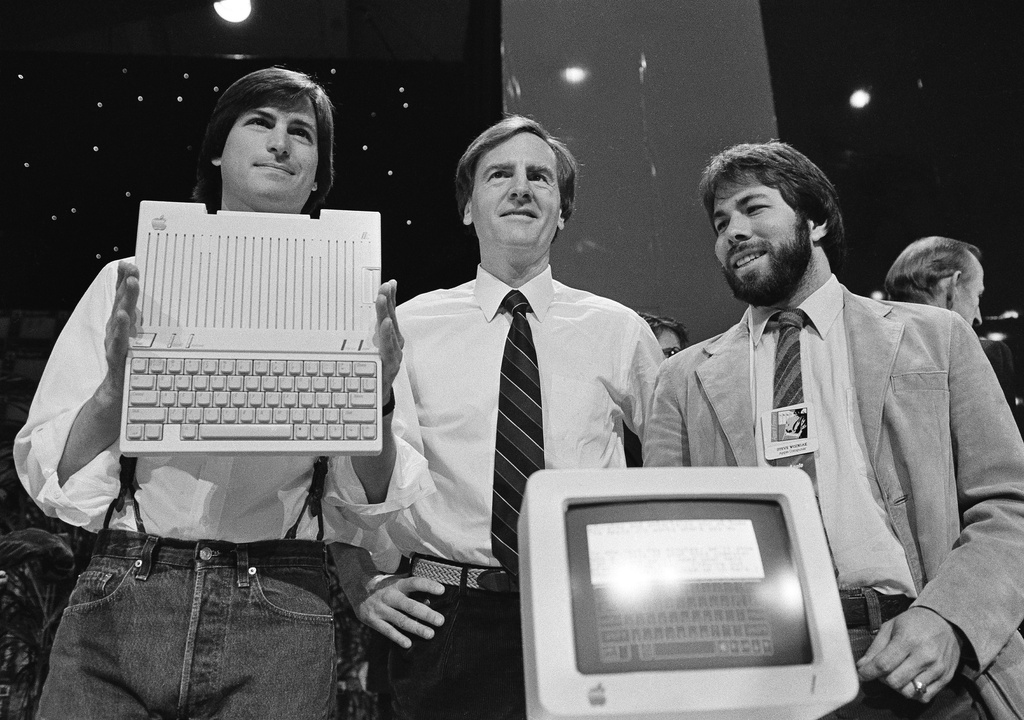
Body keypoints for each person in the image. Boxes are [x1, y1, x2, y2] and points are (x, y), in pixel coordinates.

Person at [14, 66, 430, 720]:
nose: (280, 143)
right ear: (217, 149)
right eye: (260, 122)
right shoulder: (133, 282)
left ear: (317, 175)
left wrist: (375, 401)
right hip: (127, 590)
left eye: (301, 133)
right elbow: (56, 476)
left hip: (280, 601)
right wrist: (115, 392)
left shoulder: (356, 297)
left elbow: (373, 496)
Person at [645, 141, 1024, 718]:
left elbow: (1010, 502)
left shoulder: (937, 337)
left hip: (923, 654)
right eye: (721, 223)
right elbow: (669, 543)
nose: (733, 232)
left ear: (816, 220)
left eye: (754, 208)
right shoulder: (681, 380)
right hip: (762, 670)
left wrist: (949, 618)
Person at [334, 115, 662, 720]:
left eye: (540, 176)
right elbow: (359, 489)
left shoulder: (619, 330)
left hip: (589, 609)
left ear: (562, 212)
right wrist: (363, 585)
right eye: (499, 175)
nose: (521, 188)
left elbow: (678, 463)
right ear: (467, 208)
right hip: (447, 619)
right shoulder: (409, 328)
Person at [885, 235, 1017, 412]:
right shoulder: (986, 355)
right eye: (978, 295)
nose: (978, 318)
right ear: (953, 286)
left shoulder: (866, 356)